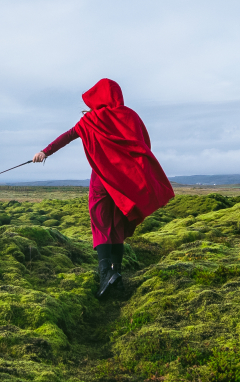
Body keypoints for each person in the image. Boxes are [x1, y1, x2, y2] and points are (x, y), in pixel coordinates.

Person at [30, 78, 175, 295]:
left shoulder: (91, 120)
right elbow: (143, 145)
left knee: (100, 223)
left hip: (101, 180)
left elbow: (68, 136)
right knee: (117, 224)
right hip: (124, 182)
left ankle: (106, 274)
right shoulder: (131, 116)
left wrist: (45, 152)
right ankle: (117, 274)